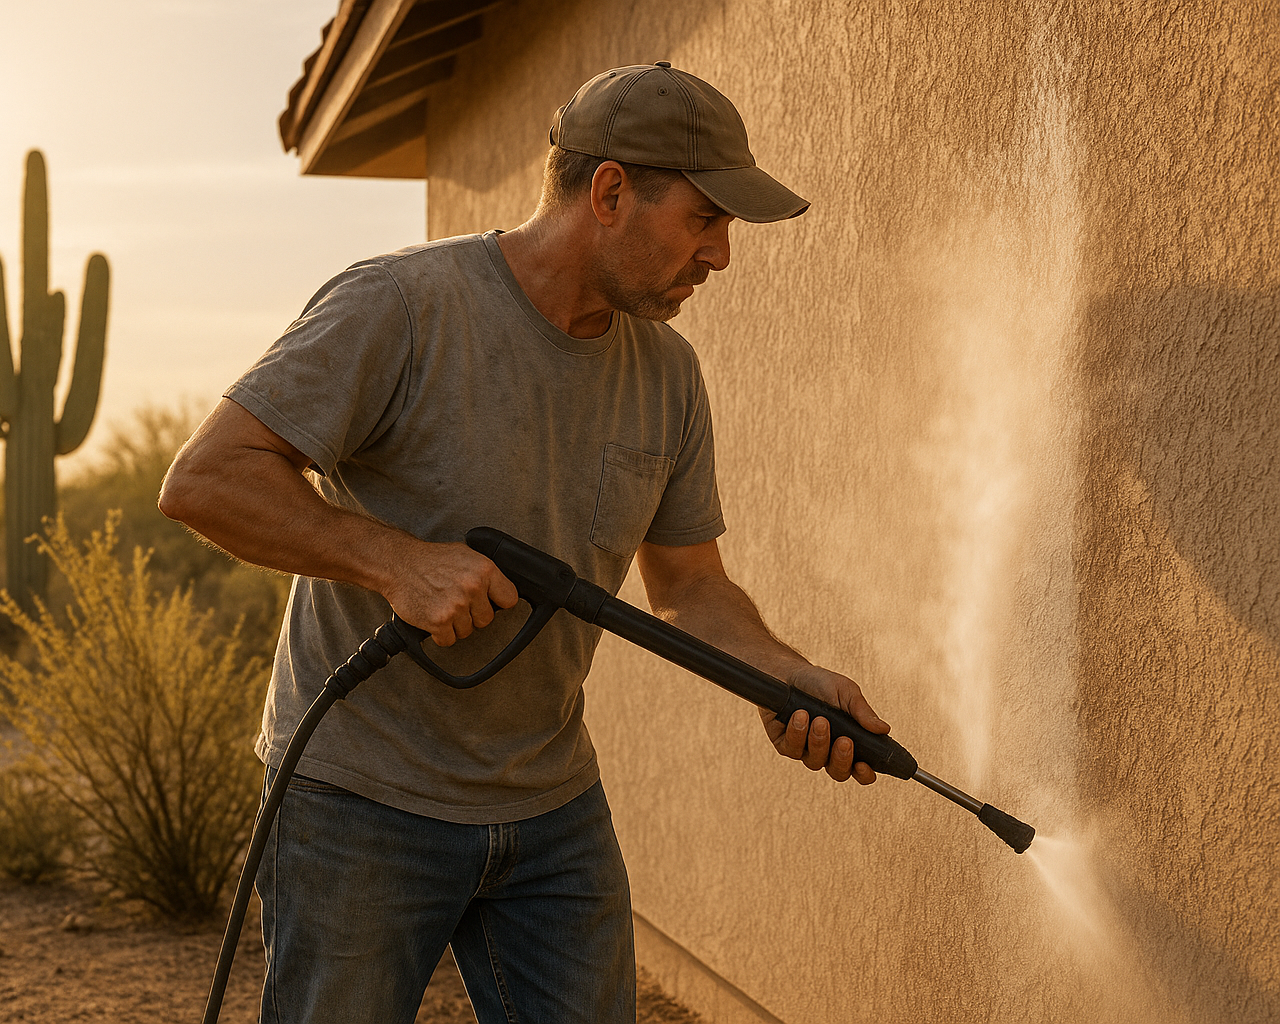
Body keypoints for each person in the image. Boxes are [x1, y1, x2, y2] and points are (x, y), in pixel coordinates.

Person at [159, 62, 889, 1024]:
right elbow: (206, 479)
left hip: (552, 807)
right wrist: (396, 561)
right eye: (705, 220)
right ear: (611, 191)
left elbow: (689, 585)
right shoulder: (403, 307)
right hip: (360, 800)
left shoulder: (667, 375)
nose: (720, 256)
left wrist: (779, 674)